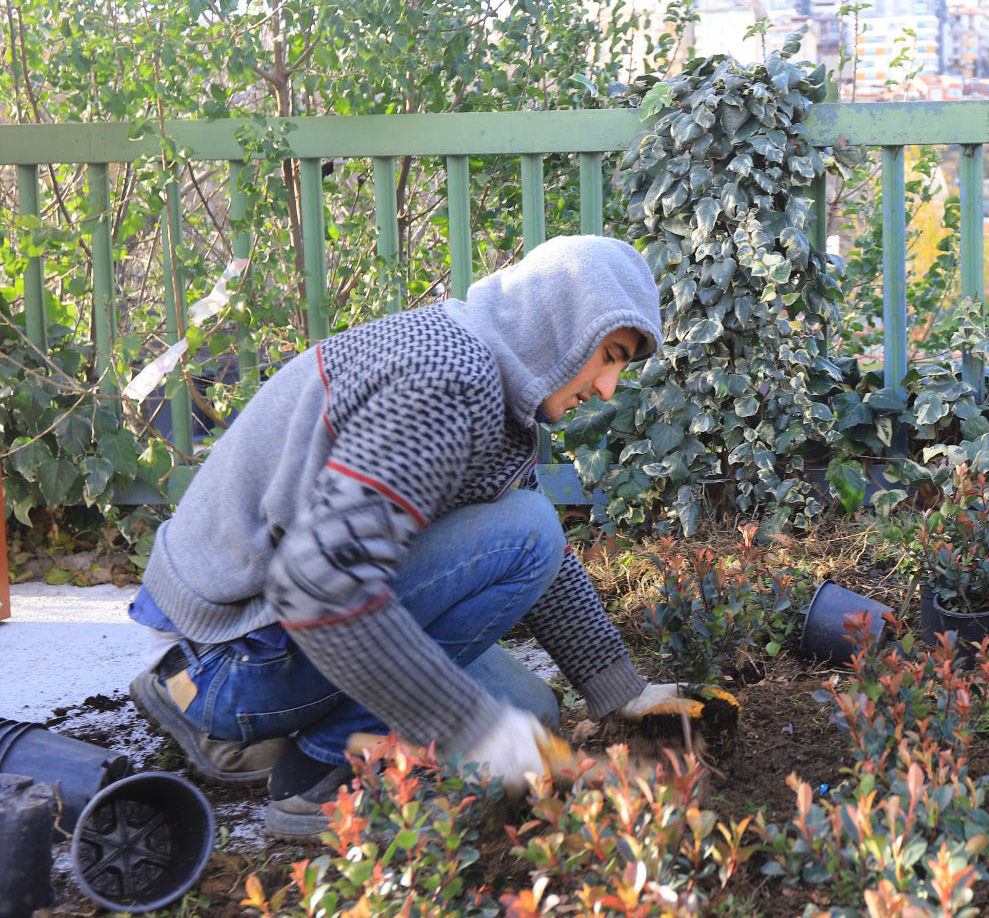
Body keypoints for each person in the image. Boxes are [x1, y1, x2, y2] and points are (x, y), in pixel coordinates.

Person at [127, 235, 686, 839]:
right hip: (224, 654)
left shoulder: (489, 377)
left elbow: (526, 556)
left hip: (240, 633)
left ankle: (243, 726)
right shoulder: (448, 378)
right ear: (560, 323)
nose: (607, 387)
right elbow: (322, 585)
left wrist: (622, 692)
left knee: (531, 713)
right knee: (528, 541)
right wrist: (472, 728)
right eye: (609, 354)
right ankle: (320, 777)